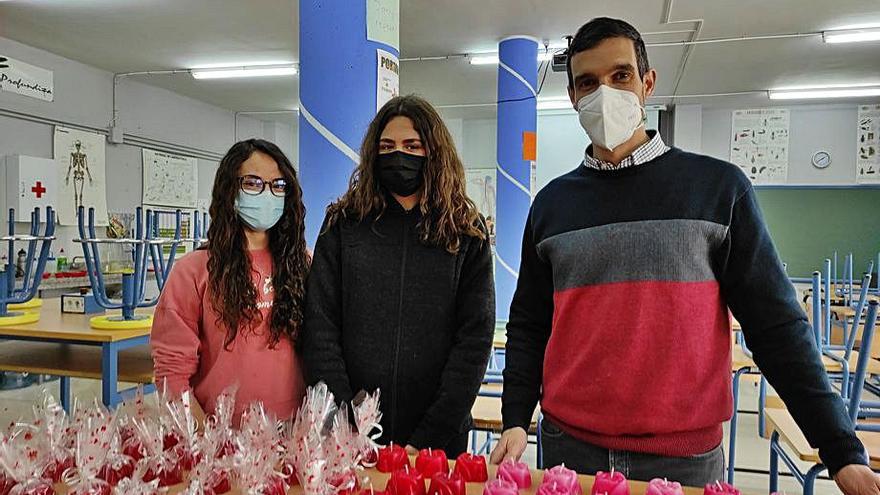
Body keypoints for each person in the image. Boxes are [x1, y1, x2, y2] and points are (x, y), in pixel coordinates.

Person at [489, 17, 880, 494]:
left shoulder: (719, 190)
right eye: (587, 83)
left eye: (621, 76)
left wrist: (841, 450)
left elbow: (775, 326)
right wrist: (514, 417)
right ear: (572, 96)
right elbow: (530, 323)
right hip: (570, 449)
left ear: (647, 83)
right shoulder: (551, 205)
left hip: (685, 459)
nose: (604, 93)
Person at [302, 95, 495, 457]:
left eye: (412, 146)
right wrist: (347, 423)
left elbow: (474, 340)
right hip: (350, 438)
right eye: (387, 146)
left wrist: (429, 438)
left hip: (437, 442)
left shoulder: (465, 232)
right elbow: (320, 327)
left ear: (434, 153)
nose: (398, 156)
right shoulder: (344, 224)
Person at [152, 139, 309, 423]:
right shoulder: (193, 271)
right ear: (229, 190)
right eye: (252, 183)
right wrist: (202, 439)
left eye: (278, 185)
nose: (267, 194)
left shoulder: (303, 265)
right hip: (219, 439)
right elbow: (172, 374)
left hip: (294, 434)